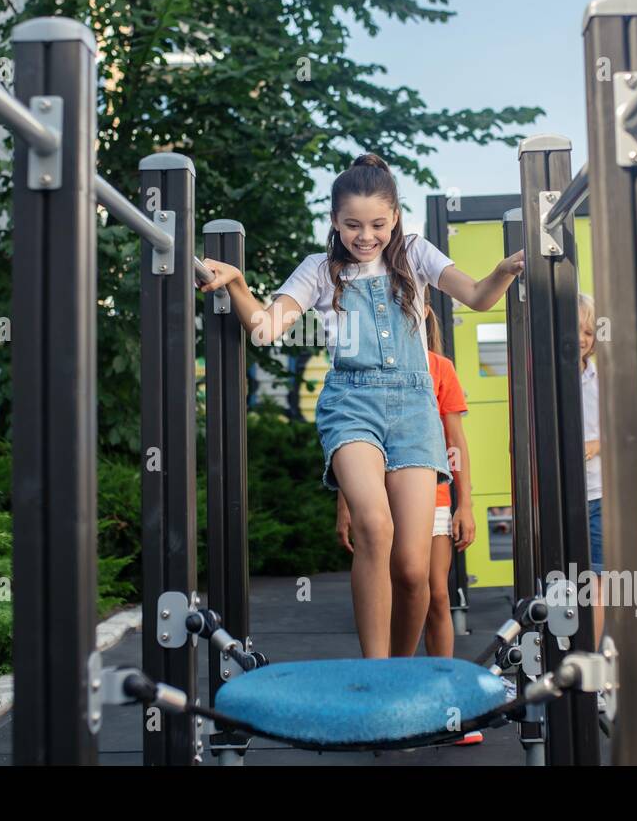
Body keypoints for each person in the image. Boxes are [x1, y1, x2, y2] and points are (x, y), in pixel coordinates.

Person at [198, 153, 524, 658]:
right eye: (352, 224)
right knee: (375, 524)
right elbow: (264, 329)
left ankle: (399, 669)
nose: (365, 235)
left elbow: (480, 297)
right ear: (334, 220)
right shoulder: (320, 270)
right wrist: (238, 284)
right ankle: (376, 672)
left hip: (415, 409)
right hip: (351, 404)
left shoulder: (415, 254)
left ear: (395, 218)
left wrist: (502, 270)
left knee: (414, 570)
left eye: (377, 223)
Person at [335, 288, 475, 661]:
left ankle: (439, 682)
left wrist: (467, 506)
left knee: (434, 590)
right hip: (379, 492)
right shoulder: (363, 366)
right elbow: (351, 440)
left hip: (433, 494)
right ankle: (396, 670)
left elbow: (455, 439)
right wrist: (344, 505)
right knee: (392, 583)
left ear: (423, 312)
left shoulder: (439, 367)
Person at [578, 292, 604, 644]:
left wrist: (599, 444)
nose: (581, 339)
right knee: (561, 583)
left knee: (597, 580)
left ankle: (591, 664)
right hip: (561, 497)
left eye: (588, 331)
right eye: (574, 330)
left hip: (598, 495)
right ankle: (562, 664)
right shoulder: (546, 375)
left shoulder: (602, 379)